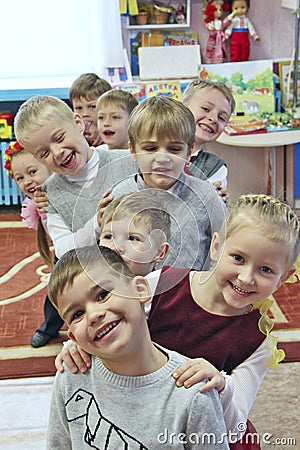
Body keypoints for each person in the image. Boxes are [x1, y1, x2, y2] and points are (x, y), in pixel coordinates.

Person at [55, 194, 300, 449]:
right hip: (150, 412)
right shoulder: (162, 285)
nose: (246, 277)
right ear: (216, 247)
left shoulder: (258, 341)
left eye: (266, 270)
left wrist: (222, 385)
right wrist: (78, 346)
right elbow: (108, 317)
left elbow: (236, 424)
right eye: (238, 258)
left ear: (283, 279)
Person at [47, 245, 229, 450]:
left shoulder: (194, 393)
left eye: (102, 294)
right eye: (77, 314)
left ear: (140, 290)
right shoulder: (71, 376)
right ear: (73, 337)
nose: (94, 314)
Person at [110, 95, 227, 271]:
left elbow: (224, 248)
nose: (163, 158)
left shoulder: (207, 196)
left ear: (189, 152)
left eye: (174, 149)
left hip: (192, 294)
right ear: (133, 150)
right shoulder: (120, 196)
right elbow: (109, 255)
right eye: (150, 148)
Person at [13, 95, 137, 261]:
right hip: (98, 279)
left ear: (78, 123)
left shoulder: (130, 161)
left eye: (59, 138)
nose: (57, 153)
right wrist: (97, 224)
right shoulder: (51, 194)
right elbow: (63, 251)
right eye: (44, 153)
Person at [4, 142, 63, 347]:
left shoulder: (60, 192)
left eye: (32, 172)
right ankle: (50, 327)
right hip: (63, 250)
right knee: (56, 289)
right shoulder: (35, 200)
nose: (27, 181)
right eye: (20, 178)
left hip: (83, 248)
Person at [182, 79, 235, 203]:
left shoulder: (215, 168)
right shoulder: (153, 148)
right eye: (206, 109)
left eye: (221, 118)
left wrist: (216, 203)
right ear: (182, 107)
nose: (213, 119)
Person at [99, 191, 170, 276]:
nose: (116, 248)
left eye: (132, 238)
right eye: (108, 237)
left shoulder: (176, 287)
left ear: (160, 252)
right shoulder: (84, 286)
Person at [69, 73, 112, 146]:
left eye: (92, 106)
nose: (85, 114)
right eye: (79, 108)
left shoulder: (114, 130)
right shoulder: (72, 131)